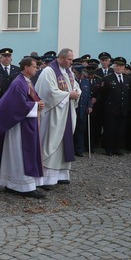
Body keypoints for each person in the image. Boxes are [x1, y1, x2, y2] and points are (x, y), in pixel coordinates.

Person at [0, 57, 45, 198]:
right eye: (34, 66)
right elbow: (17, 105)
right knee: (19, 155)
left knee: (18, 155)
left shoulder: (27, 82)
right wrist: (35, 105)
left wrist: (39, 102)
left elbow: (32, 98)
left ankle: (13, 184)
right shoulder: (18, 83)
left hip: (25, 124)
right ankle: (23, 186)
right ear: (26, 67)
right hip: (19, 127)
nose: (36, 69)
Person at [35, 48, 81, 184]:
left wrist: (76, 93)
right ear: (61, 58)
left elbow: (76, 87)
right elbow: (49, 92)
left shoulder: (68, 71)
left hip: (66, 112)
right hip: (54, 114)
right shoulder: (49, 72)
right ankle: (47, 178)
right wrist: (68, 95)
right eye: (69, 59)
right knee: (51, 143)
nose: (71, 62)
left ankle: (61, 175)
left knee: (63, 143)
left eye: (72, 59)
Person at [100, 56, 131, 156]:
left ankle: (117, 148)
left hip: (123, 108)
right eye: (117, 66)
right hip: (111, 109)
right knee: (110, 129)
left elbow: (129, 94)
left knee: (120, 129)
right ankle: (108, 148)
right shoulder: (108, 78)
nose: (119, 68)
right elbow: (103, 94)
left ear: (124, 67)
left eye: (121, 66)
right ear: (113, 67)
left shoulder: (127, 79)